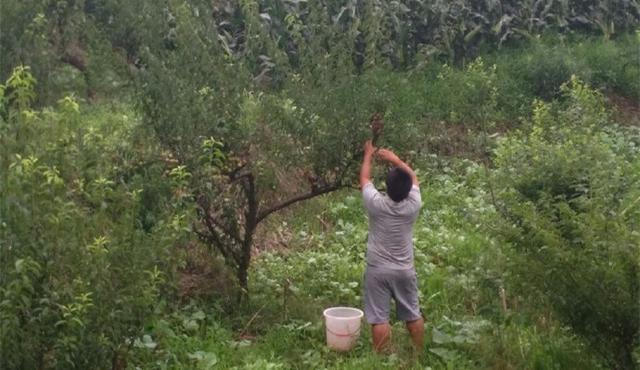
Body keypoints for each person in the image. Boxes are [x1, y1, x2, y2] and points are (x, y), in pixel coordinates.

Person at [359, 140, 424, 353]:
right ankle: (418, 356)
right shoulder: (413, 205)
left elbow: (365, 179)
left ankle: (382, 360)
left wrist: (368, 154)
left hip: (377, 270)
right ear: (407, 191)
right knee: (413, 314)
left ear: (386, 186)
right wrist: (396, 159)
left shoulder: (376, 204)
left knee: (379, 318)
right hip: (404, 270)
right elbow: (413, 178)